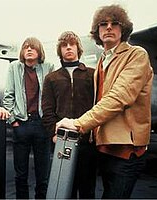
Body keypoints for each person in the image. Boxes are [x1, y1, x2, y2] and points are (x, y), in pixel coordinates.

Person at [55, 4, 154, 199]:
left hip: (126, 151)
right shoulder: (102, 61)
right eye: (103, 24)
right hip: (105, 149)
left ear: (123, 29)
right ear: (97, 31)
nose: (108, 27)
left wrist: (78, 123)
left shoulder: (136, 55)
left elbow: (119, 97)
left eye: (114, 23)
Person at [42, 31, 96, 198]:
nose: (68, 48)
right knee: (65, 188)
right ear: (60, 50)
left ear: (78, 48)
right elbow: (47, 109)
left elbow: (99, 105)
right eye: (64, 45)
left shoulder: (92, 74)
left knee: (87, 188)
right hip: (62, 140)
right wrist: (53, 134)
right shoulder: (52, 78)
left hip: (87, 139)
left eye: (72, 44)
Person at [3, 37, 54, 199]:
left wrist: (49, 122)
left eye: (33, 47)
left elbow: (53, 97)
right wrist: (14, 122)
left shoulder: (48, 67)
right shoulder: (14, 68)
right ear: (22, 52)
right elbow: (8, 96)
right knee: (21, 174)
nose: (29, 50)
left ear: (39, 52)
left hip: (41, 125)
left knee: (43, 174)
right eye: (26, 47)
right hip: (22, 124)